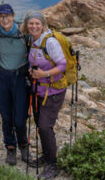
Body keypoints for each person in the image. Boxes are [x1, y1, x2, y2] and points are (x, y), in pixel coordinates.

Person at [26, 9, 68, 178]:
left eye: (37, 23)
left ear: (43, 25)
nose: (34, 26)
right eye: (31, 23)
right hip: (39, 90)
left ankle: (52, 164)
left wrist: (45, 74)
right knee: (40, 125)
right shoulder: (32, 40)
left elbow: (62, 65)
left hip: (54, 91)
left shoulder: (50, 42)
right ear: (27, 25)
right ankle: (46, 155)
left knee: (45, 126)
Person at [0, 2, 32, 166]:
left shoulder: (24, 33)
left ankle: (23, 145)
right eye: (1, 16)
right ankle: (10, 147)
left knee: (20, 118)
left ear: (13, 16)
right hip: (2, 77)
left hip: (20, 78)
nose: (4, 19)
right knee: (6, 116)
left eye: (7, 16)